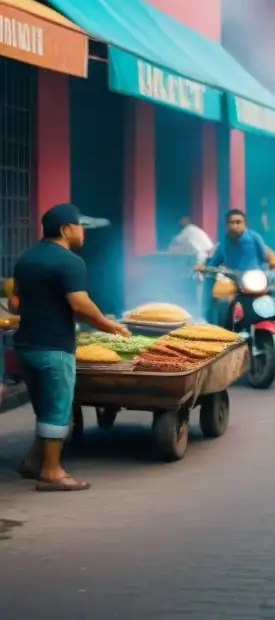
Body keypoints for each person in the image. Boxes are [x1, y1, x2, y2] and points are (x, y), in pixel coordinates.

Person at [10, 204, 130, 492]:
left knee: (45, 409)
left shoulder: (26, 258)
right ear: (66, 230)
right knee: (58, 411)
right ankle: (52, 471)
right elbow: (80, 305)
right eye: (80, 226)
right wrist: (110, 326)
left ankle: (33, 460)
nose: (83, 232)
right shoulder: (70, 261)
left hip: (25, 346)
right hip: (54, 348)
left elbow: (15, 303)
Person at [206, 209, 275, 273]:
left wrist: (272, 263)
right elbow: (213, 264)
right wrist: (204, 266)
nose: (235, 226)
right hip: (232, 280)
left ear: (245, 224)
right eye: (231, 223)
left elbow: (267, 256)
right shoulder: (223, 244)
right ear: (226, 225)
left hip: (255, 279)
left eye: (238, 222)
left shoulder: (254, 238)